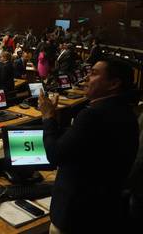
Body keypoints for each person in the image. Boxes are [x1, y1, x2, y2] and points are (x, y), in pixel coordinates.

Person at [39, 58, 139, 233]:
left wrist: (48, 118)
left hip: (75, 214)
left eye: (93, 73)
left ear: (114, 83)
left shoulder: (93, 115)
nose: (86, 78)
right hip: (102, 211)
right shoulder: (126, 112)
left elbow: (54, 155)